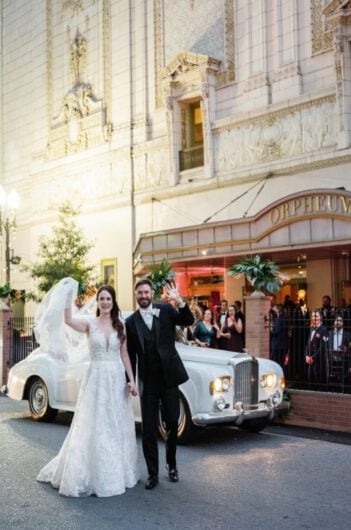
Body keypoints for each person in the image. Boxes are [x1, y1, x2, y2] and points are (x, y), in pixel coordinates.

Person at [37, 279, 139, 497]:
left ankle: (116, 472)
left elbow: (124, 354)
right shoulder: (89, 324)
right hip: (96, 379)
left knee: (114, 424)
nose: (104, 302)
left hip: (115, 380)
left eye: (108, 298)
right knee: (93, 423)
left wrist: (132, 380)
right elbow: (68, 319)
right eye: (101, 299)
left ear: (113, 301)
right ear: (98, 302)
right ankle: (90, 473)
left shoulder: (121, 324)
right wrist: (67, 294)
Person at [125, 278, 194, 490]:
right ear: (136, 295)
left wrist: (179, 301)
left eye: (146, 292)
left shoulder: (165, 310)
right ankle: (152, 474)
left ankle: (171, 464)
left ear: (152, 293)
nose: (144, 296)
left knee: (173, 422)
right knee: (148, 430)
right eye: (140, 293)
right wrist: (131, 381)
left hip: (169, 378)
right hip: (148, 381)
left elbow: (188, 320)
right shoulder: (130, 322)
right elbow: (130, 355)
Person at [305, 310, 329, 387]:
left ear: (321, 318)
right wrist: (306, 355)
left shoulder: (324, 329)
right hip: (310, 360)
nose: (314, 318)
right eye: (313, 316)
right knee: (310, 382)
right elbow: (308, 343)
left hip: (319, 361)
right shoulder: (311, 328)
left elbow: (322, 347)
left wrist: (313, 357)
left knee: (319, 383)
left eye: (316, 316)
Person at [270, 304, 289, 369]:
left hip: (277, 345)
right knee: (282, 362)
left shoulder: (278, 319)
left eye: (275, 308)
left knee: (274, 362)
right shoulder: (285, 318)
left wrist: (270, 332)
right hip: (284, 344)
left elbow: (277, 332)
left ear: (277, 310)